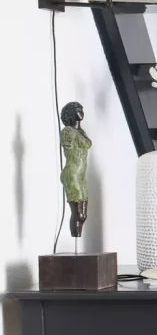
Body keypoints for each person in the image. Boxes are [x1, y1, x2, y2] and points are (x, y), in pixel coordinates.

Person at [59, 101, 92, 240]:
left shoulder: (81, 132)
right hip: (72, 174)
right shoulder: (67, 131)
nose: (81, 111)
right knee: (78, 214)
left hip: (81, 175)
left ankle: (77, 240)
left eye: (82, 109)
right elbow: (66, 144)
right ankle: (75, 240)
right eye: (78, 109)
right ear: (71, 113)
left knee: (83, 216)